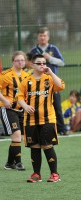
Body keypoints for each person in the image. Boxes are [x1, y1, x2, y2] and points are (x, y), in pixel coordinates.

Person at [17, 54, 65, 183]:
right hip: (30, 120)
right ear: (32, 65)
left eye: (44, 63)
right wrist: (25, 106)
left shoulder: (49, 79)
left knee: (47, 145)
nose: (42, 65)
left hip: (48, 119)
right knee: (35, 146)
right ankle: (36, 174)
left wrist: (51, 73)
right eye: (39, 63)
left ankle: (55, 174)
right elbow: (19, 97)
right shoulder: (26, 81)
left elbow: (61, 86)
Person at [29, 27, 67, 135]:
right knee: (38, 106)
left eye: (44, 35)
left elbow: (62, 62)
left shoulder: (53, 48)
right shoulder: (33, 51)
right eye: (40, 36)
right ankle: (37, 128)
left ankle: (62, 129)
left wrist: (50, 58)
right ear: (37, 37)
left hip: (51, 83)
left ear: (48, 37)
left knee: (57, 106)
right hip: (38, 84)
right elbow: (28, 64)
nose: (42, 38)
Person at [0, 51, 29, 171]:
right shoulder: (5, 75)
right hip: (8, 109)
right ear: (12, 61)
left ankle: (9, 163)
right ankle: (19, 163)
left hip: (21, 109)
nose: (20, 62)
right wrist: (5, 101)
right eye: (17, 60)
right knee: (16, 135)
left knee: (19, 138)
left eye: (22, 60)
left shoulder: (27, 76)